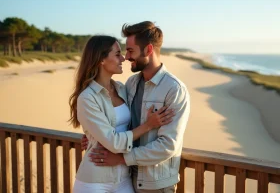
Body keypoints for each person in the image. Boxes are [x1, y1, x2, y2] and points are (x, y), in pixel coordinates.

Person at [84, 21, 190, 193]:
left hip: (155, 184)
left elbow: (168, 146)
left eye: (130, 50)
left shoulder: (174, 89)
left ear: (148, 50)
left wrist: (121, 159)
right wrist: (94, 136)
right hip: (128, 179)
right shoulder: (131, 84)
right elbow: (121, 120)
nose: (126, 57)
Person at [69, 35, 174, 193]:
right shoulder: (87, 98)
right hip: (95, 180)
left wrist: (91, 136)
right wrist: (148, 126)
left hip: (124, 178)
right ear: (101, 60)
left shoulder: (122, 89)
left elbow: (123, 125)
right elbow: (113, 142)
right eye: (117, 54)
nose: (123, 58)